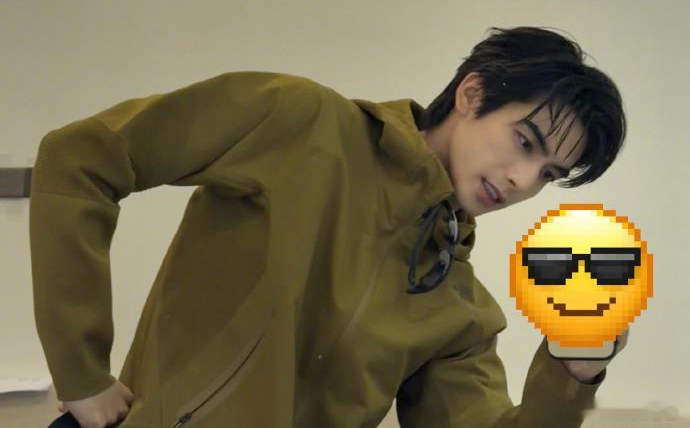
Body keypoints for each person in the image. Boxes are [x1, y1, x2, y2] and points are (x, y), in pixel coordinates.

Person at [30, 26, 628, 428]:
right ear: (472, 94)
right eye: (524, 142)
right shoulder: (301, 124)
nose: (523, 180)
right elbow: (82, 157)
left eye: (548, 174)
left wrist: (573, 371)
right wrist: (81, 374)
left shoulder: (458, 311)